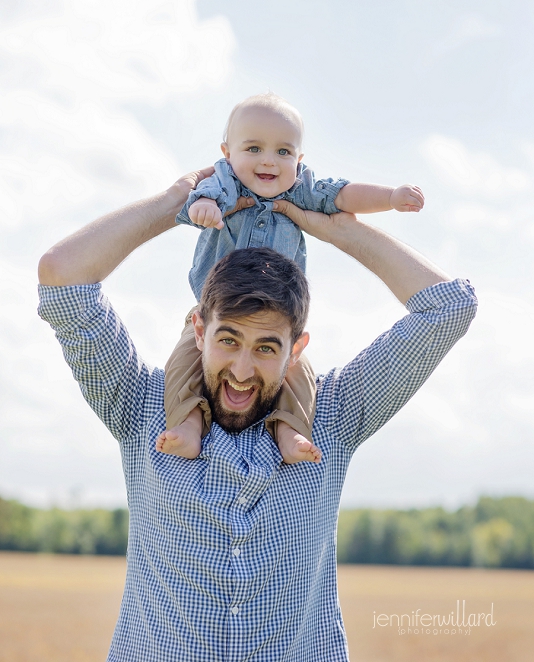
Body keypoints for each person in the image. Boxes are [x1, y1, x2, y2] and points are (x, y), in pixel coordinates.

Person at [37, 168, 476, 662]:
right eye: (228, 340)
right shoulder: (141, 407)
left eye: (267, 347)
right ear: (199, 331)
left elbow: (448, 307)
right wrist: (173, 204)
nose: (242, 371)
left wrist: (334, 225)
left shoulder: (332, 415)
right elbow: (61, 275)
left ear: (297, 349)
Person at [158, 93, 425, 464]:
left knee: (297, 373)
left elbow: (344, 195)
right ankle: (188, 426)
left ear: (299, 160)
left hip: (280, 317)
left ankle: (290, 431)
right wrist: (202, 207)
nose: (269, 160)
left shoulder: (302, 190)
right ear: (227, 153)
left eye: (284, 152)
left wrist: (391, 197)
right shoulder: (225, 183)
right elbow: (199, 199)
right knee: (184, 362)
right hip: (214, 310)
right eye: (253, 148)